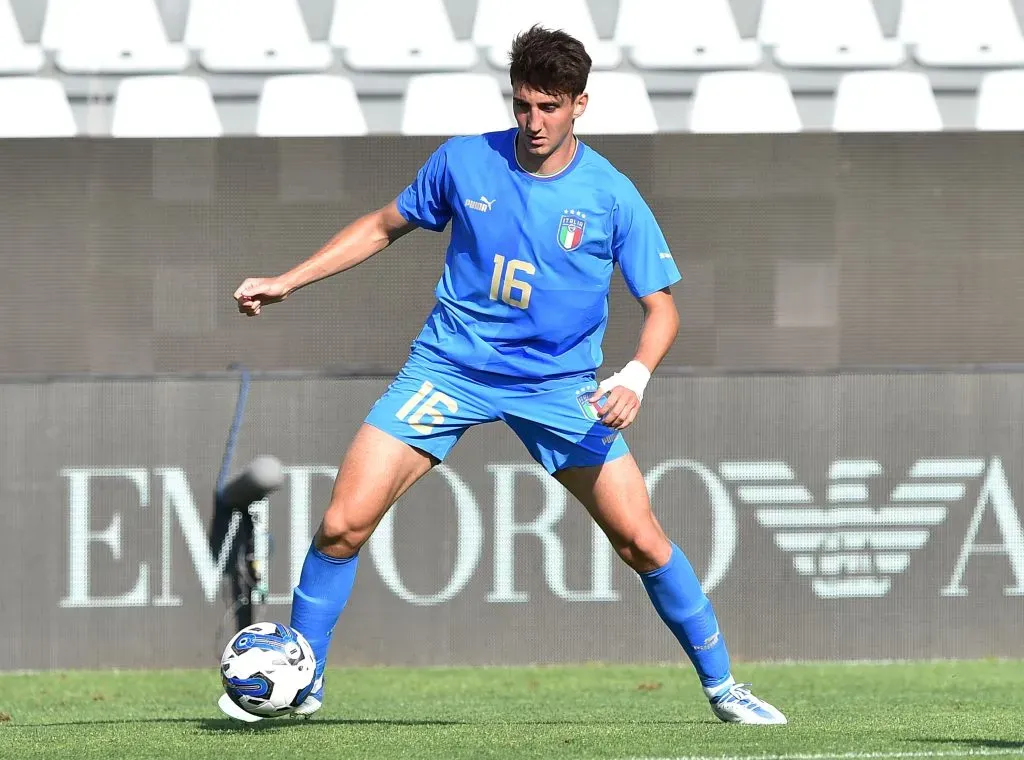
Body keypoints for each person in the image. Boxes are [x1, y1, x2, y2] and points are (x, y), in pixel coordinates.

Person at [224, 25, 786, 726]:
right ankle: (303, 680)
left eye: (549, 106)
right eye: (523, 105)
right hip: (449, 366)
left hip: (557, 387)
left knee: (640, 540)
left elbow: (662, 308)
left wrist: (636, 377)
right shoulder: (465, 162)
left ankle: (725, 687)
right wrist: (287, 282)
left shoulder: (611, 196)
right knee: (342, 525)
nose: (533, 122)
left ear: (580, 103)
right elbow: (380, 226)